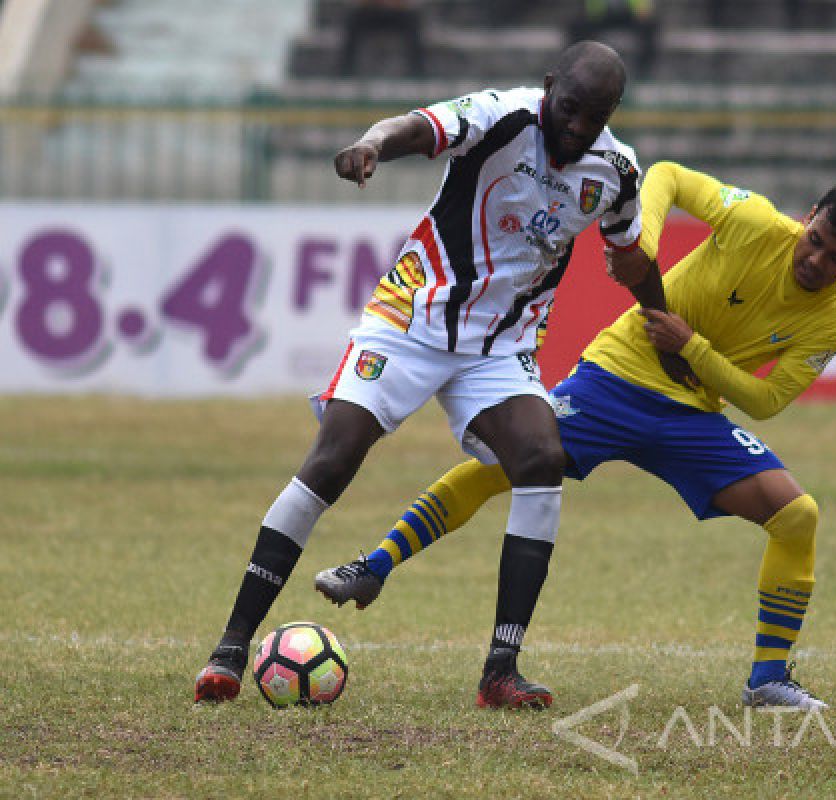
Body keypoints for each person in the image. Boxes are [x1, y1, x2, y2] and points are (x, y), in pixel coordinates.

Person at [194, 41, 676, 709]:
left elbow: (631, 254)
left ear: (611, 113)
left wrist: (662, 318)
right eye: (568, 108)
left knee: (541, 458)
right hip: (411, 317)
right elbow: (418, 127)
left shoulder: (617, 173)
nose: (576, 126)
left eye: (593, 116)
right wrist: (371, 143)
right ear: (547, 88)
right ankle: (230, 647)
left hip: (500, 347)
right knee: (334, 459)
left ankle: (500, 671)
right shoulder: (503, 116)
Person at [315, 161, 836, 709]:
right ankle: (375, 568)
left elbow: (767, 401)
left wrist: (690, 347)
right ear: (810, 214)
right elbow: (665, 177)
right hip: (615, 378)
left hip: (691, 416)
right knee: (506, 466)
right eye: (814, 238)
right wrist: (643, 248)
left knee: (797, 516)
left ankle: (767, 681)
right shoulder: (754, 222)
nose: (816, 260)